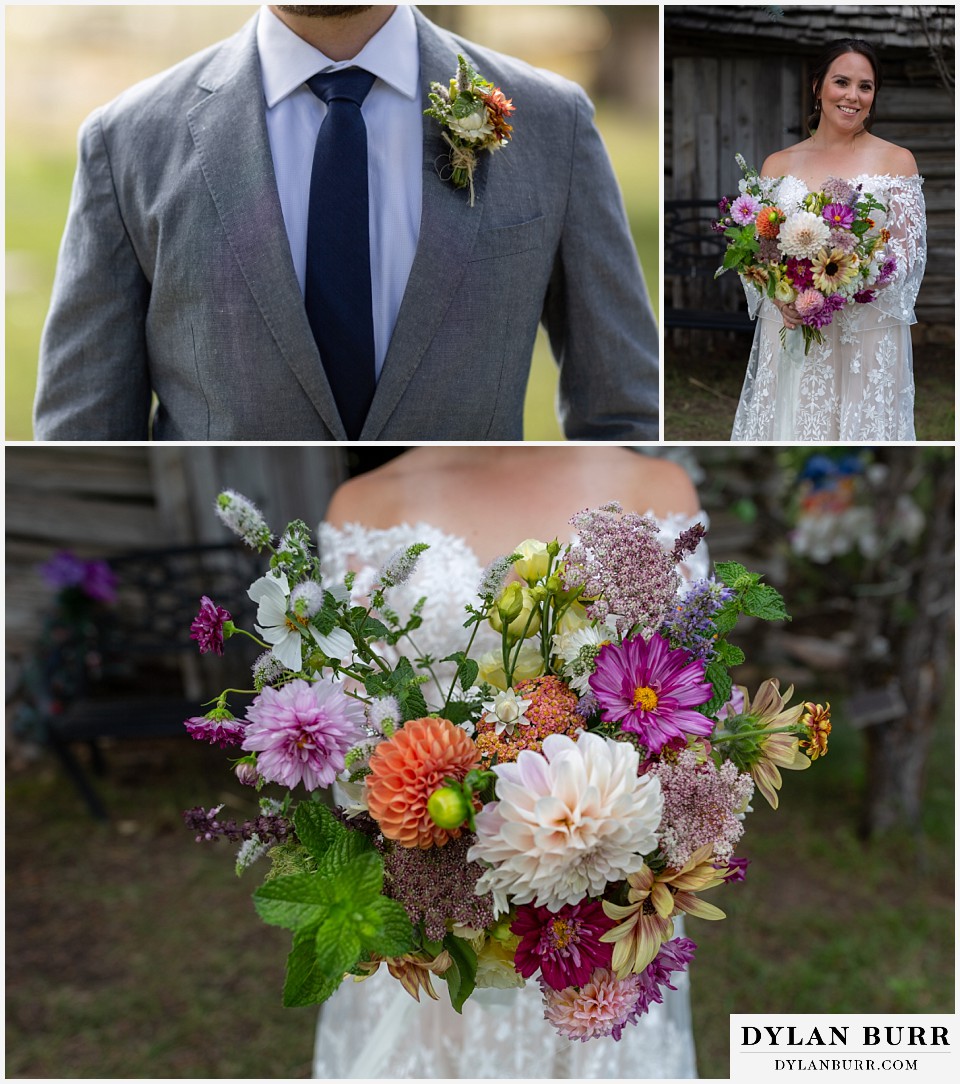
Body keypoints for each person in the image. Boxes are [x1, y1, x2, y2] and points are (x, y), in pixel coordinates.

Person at [32, 5, 659, 442]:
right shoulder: (126, 142)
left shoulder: (555, 122)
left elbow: (627, 413)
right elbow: (82, 431)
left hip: (476, 604)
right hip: (225, 603)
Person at [312, 445, 706, 1079]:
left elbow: (684, 710)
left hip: (599, 920)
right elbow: (347, 737)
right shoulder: (363, 504)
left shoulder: (655, 489)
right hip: (432, 913)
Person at [731, 38, 926, 441]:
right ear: (817, 86)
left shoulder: (897, 161)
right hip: (794, 326)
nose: (853, 96)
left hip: (864, 331)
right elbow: (758, 249)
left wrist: (844, 285)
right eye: (842, 82)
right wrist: (779, 295)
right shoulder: (778, 165)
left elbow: (908, 256)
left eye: (865, 86)